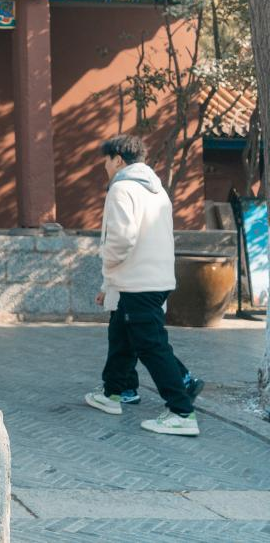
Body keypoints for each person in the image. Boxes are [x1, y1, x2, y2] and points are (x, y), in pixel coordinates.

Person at [84, 134, 203, 436]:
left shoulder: (121, 189)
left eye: (106, 161)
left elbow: (121, 239)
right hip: (155, 279)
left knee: (151, 346)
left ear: (118, 160)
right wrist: (109, 284)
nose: (105, 167)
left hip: (136, 282)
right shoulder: (158, 191)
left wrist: (109, 271)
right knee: (122, 335)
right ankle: (112, 393)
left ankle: (181, 411)